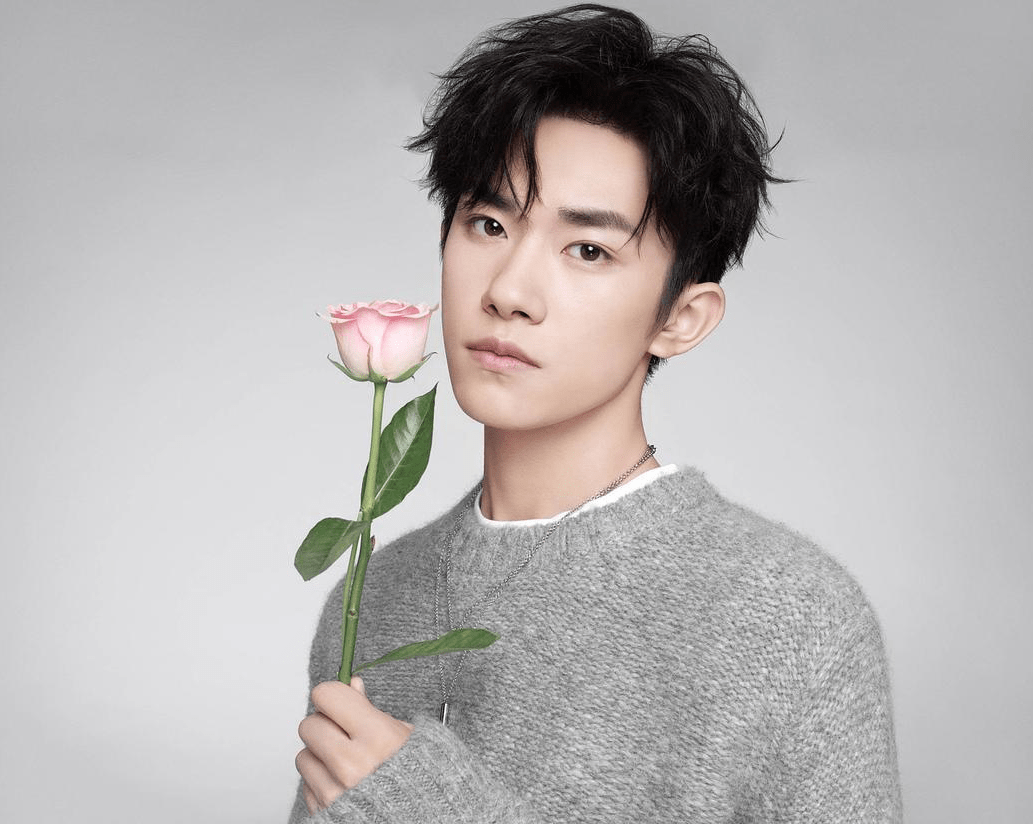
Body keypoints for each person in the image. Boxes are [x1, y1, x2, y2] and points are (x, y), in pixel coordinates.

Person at [290, 5, 902, 822]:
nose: (508, 290)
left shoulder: (791, 617)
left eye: (588, 250)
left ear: (680, 319)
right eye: (488, 223)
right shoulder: (373, 597)